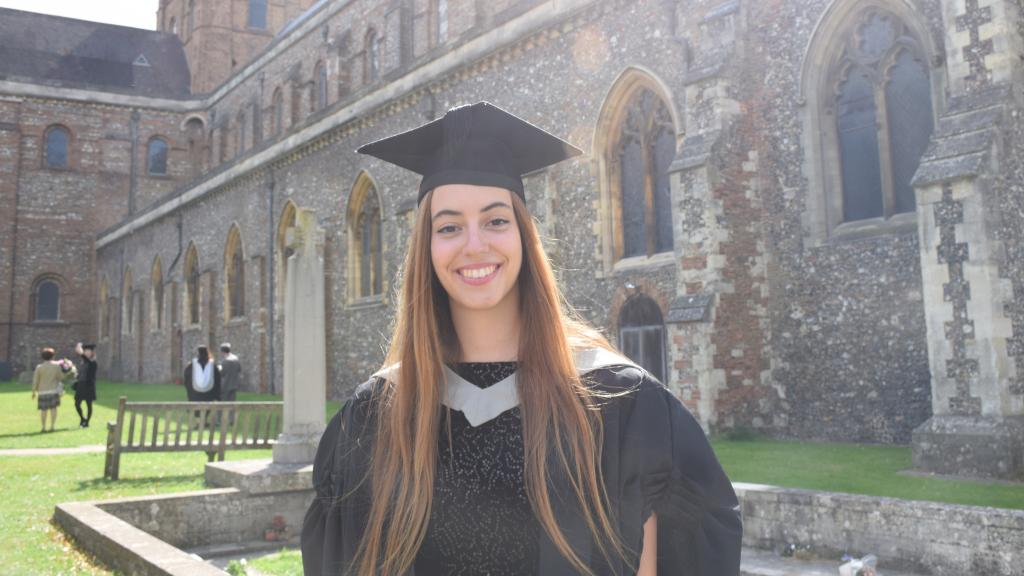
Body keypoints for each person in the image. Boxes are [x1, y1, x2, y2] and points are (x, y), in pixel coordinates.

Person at [301, 102, 742, 575]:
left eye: (495, 220)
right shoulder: (376, 416)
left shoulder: (619, 404)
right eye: (449, 226)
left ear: (524, 236)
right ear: (425, 248)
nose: (475, 244)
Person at [31, 347, 77, 433]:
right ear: (52, 356)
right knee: (53, 409)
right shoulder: (56, 366)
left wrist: (34, 392)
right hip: (53, 390)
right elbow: (61, 377)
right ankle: (52, 426)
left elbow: (35, 380)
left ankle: (43, 427)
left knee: (43, 410)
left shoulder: (39, 367)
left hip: (42, 392)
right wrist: (69, 372)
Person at [73, 342, 98, 428]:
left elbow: (89, 362)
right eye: (85, 351)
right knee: (77, 404)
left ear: (92, 353)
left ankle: (87, 421)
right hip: (81, 385)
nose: (86, 352)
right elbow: (81, 372)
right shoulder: (82, 362)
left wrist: (81, 353)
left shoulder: (93, 362)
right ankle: (82, 419)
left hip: (89, 385)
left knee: (89, 404)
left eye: (88, 351)